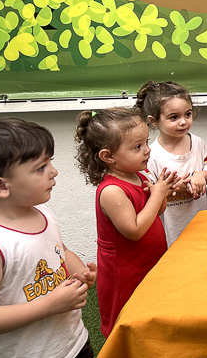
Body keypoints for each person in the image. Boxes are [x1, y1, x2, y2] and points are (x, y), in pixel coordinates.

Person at [0, 118, 95, 358]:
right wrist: (50, 305)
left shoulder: (43, 213)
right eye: (41, 167)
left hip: (74, 345)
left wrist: (80, 273)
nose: (54, 171)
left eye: (50, 162)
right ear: (0, 186)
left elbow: (60, 251)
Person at [75, 107, 178, 337]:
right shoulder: (111, 190)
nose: (147, 150)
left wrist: (160, 194)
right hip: (124, 271)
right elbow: (134, 230)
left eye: (146, 142)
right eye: (137, 147)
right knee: (127, 319)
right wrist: (157, 195)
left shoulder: (139, 175)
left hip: (147, 261)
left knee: (149, 310)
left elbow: (157, 212)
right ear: (108, 156)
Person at [136, 81, 207, 246]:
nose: (183, 122)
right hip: (172, 234)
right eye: (174, 117)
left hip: (202, 228)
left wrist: (202, 175)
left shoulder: (198, 143)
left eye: (187, 114)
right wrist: (172, 188)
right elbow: (148, 193)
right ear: (154, 121)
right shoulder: (151, 155)